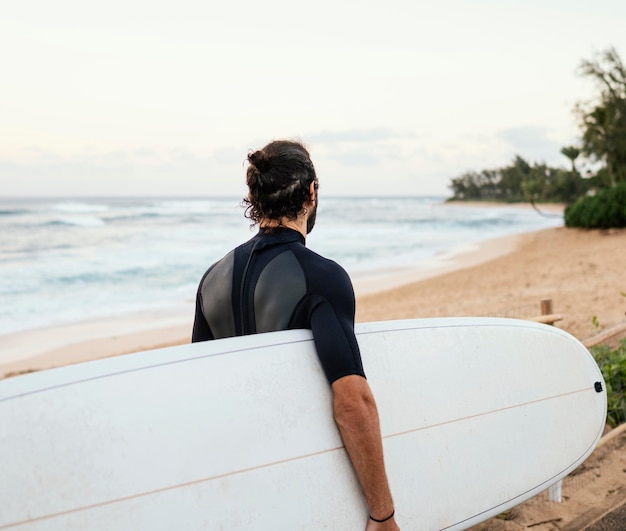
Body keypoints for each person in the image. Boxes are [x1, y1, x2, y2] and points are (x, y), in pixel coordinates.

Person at [192, 139, 399, 530]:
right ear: (311, 192)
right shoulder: (322, 277)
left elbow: (201, 393)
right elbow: (353, 402)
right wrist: (382, 515)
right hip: (305, 477)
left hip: (239, 485)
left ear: (255, 196)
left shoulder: (211, 278)